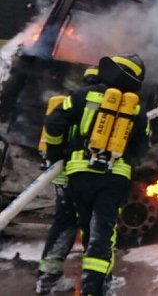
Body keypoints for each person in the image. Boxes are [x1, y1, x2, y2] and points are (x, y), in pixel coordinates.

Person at [44, 54, 150, 296]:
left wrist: (56, 154)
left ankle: (81, 281)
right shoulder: (136, 107)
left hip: (79, 174)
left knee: (83, 225)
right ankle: (96, 288)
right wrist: (125, 159)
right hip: (114, 178)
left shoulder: (82, 96)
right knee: (102, 232)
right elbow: (142, 147)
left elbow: (54, 124)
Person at [35, 66, 101, 294]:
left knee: (65, 221)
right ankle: (96, 282)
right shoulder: (100, 105)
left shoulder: (70, 100)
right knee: (94, 225)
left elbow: (53, 129)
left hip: (62, 172)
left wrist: (54, 157)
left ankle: (48, 277)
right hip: (82, 172)